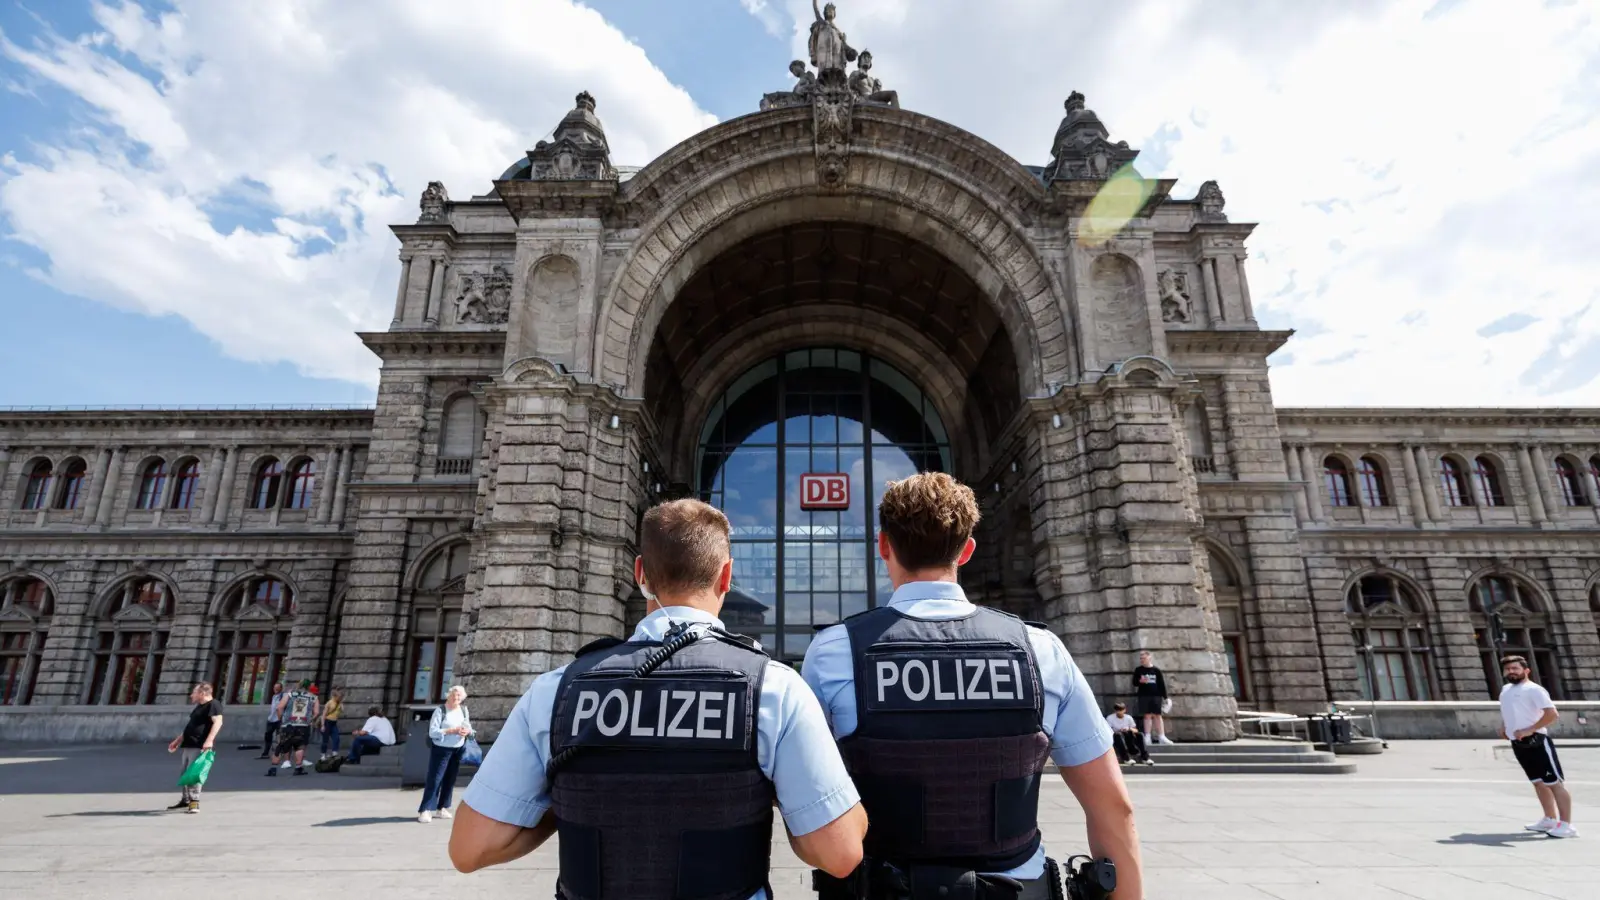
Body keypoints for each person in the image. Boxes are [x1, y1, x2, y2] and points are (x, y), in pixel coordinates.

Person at [448, 498, 868, 899]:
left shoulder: (556, 690)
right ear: (726, 577)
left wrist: (567, 800)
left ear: (640, 573)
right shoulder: (773, 688)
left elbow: (470, 848)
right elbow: (840, 853)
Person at [804, 472, 1143, 900]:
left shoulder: (834, 651)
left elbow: (812, 805)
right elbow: (1113, 806)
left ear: (883, 545)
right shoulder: (1040, 650)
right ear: (966, 550)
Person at [1500, 655, 1578, 838]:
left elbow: (1552, 714)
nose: (1511, 672)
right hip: (1517, 742)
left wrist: (1530, 729)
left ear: (1526, 670)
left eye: (1515, 668)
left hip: (1538, 741)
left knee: (1554, 783)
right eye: (1508, 669)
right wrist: (1504, 726)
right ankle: (1549, 819)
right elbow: (1509, 710)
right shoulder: (1506, 689)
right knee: (1538, 782)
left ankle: (1567, 825)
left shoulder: (1535, 690)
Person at [417, 686, 474, 824]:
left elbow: (469, 728)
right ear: (448, 696)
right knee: (435, 779)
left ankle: (443, 807)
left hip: (458, 748)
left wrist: (467, 732)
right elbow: (433, 732)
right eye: (454, 696)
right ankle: (425, 809)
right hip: (442, 749)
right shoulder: (440, 710)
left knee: (450, 779)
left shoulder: (464, 710)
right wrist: (451, 730)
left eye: (459, 696)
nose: (456, 698)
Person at [167, 682, 223, 814]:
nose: (192, 695)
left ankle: (194, 802)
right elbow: (191, 725)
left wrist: (209, 741)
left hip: (199, 745)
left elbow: (218, 722)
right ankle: (185, 800)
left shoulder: (213, 705)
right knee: (185, 773)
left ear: (202, 693)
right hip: (189, 744)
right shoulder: (199, 707)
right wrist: (178, 740)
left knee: (194, 773)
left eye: (194, 692)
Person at [267, 679, 318, 776]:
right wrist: (310, 719)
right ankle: (298, 768)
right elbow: (316, 712)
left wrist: (281, 719)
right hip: (303, 725)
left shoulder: (290, 694)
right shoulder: (313, 697)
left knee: (281, 746)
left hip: (288, 724)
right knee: (300, 746)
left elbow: (280, 707)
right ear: (308, 687)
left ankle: (273, 768)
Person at [1132, 650, 1173, 745]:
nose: (1142, 660)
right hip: (1144, 695)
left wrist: (1165, 697)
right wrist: (1140, 681)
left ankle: (1162, 736)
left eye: (1144, 658)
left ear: (1149, 658)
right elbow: (1134, 682)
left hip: (1156, 695)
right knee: (1147, 715)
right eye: (1141, 658)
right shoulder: (1138, 670)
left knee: (1158, 715)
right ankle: (1147, 736)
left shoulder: (1156, 670)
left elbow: (1161, 684)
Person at [259, 681, 286, 759]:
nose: (275, 689)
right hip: (271, 719)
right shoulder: (274, 696)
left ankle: (278, 754)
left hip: (279, 719)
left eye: (277, 688)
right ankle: (266, 752)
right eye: (274, 687)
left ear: (281, 688)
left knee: (279, 736)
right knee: (268, 736)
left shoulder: (283, 696)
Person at [318, 687, 345, 759]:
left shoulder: (339, 703)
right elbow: (323, 715)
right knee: (325, 740)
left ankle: (334, 752)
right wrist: (323, 725)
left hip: (334, 723)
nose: (341, 699)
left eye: (341, 697)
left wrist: (341, 704)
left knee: (336, 738)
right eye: (339, 697)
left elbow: (342, 711)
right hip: (327, 722)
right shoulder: (329, 703)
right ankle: (323, 754)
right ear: (335, 696)